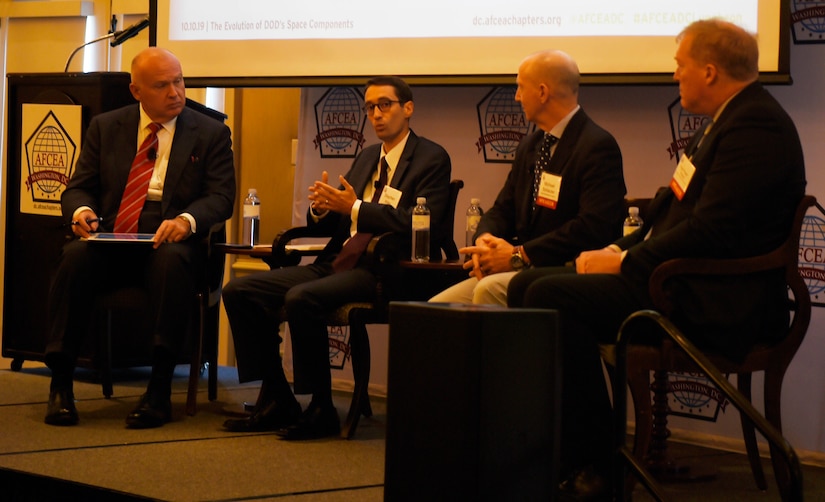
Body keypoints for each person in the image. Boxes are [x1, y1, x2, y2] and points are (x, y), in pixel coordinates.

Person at [508, 19, 806, 499]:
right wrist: (616, 249)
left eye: (679, 66)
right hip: (678, 281)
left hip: (716, 300)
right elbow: (669, 214)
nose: (674, 76)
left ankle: (596, 461)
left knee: (546, 293)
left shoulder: (756, 125)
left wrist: (625, 265)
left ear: (709, 72)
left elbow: (711, 231)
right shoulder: (727, 120)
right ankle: (582, 451)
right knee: (528, 286)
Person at [222, 76, 452, 439]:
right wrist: (321, 209)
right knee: (239, 291)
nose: (376, 114)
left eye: (385, 105)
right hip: (337, 262)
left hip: (382, 268)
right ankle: (278, 397)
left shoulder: (431, 158)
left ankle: (321, 407)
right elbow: (342, 219)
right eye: (370, 107)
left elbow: (423, 222)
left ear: (408, 109)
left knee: (301, 298)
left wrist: (356, 205)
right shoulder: (366, 157)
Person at [44, 47, 236, 428]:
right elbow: (78, 188)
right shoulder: (106, 126)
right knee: (74, 258)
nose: (175, 92)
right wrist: (81, 212)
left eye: (179, 81)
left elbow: (221, 197)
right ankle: (61, 385)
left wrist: (187, 219)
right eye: (162, 85)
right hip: (115, 236)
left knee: (171, 260)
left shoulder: (211, 132)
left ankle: (159, 390)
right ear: (136, 91)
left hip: (171, 240)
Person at [429, 50, 625, 306]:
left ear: (542, 92)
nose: (516, 96)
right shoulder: (531, 146)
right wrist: (484, 241)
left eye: (521, 87)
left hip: (564, 272)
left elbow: (592, 228)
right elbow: (502, 209)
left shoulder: (596, 145)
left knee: (486, 291)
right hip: (520, 268)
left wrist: (519, 254)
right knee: (434, 312)